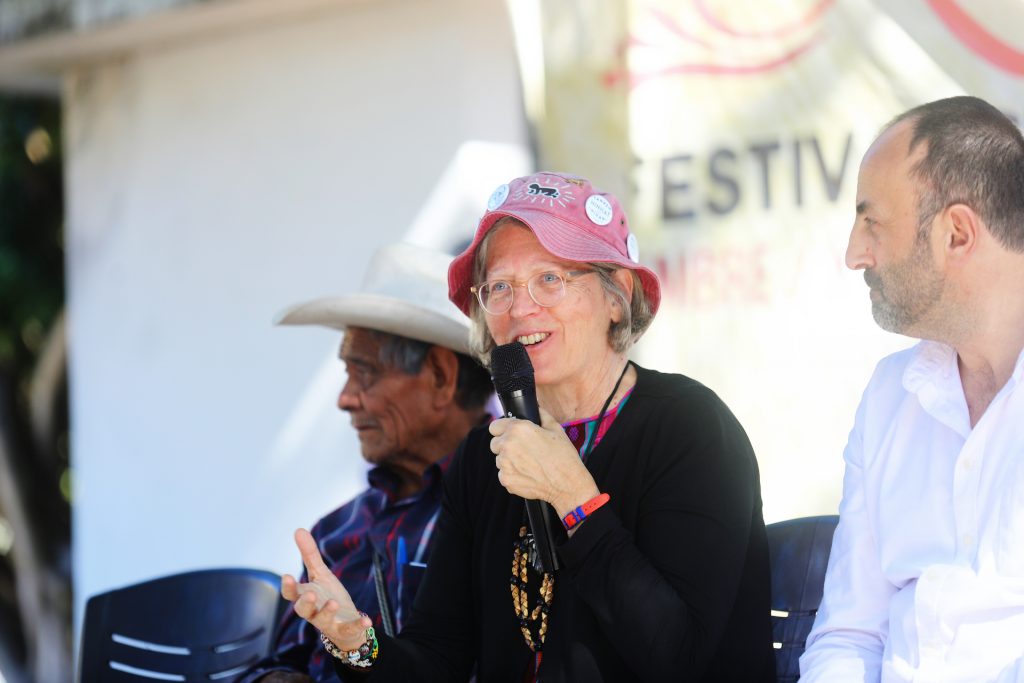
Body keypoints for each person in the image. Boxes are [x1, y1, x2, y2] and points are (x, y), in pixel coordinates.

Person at [281, 172, 775, 682]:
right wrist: (358, 644)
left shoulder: (690, 428)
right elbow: (438, 660)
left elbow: (681, 658)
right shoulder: (482, 457)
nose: (519, 308)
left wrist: (575, 499)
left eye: (550, 279)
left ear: (616, 296)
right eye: (499, 287)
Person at [800, 95, 1024, 682]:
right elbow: (848, 635)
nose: (854, 254)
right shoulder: (890, 396)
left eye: (872, 221)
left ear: (956, 233)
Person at [241, 243, 492, 683]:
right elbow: (284, 661)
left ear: (440, 376)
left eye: (365, 372)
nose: (345, 399)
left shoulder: (514, 509)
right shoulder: (337, 533)